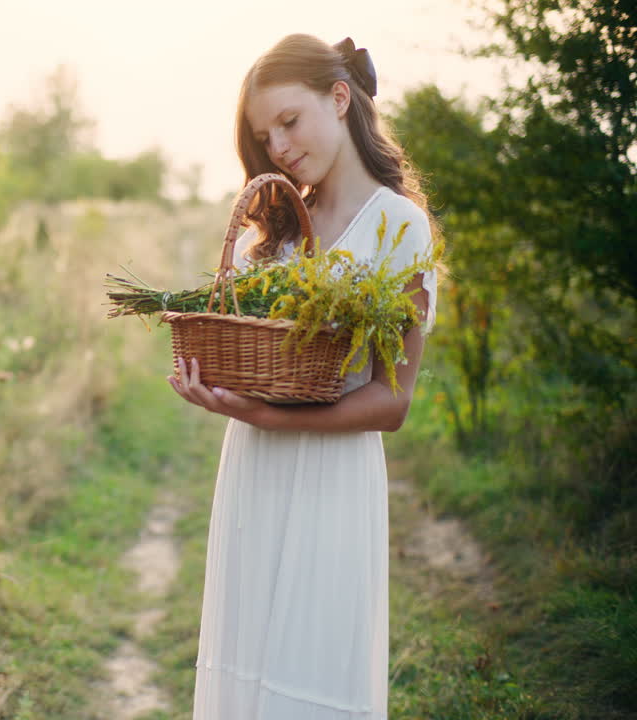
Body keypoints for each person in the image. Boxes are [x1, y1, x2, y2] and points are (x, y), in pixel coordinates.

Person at [166, 34, 441, 719]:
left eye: (289, 121)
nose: (279, 147)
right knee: (249, 665)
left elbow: (392, 400)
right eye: (266, 136)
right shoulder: (281, 228)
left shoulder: (398, 227)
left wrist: (271, 417)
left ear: (340, 97)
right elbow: (263, 358)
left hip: (330, 478)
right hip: (255, 467)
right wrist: (226, 391)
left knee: (310, 674)